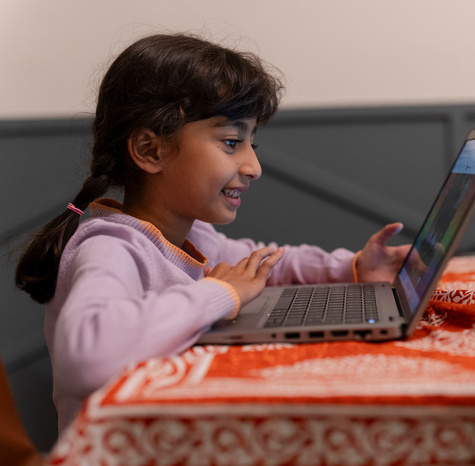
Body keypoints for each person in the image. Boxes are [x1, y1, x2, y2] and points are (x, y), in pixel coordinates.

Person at [14, 33, 410, 434]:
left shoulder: (194, 238)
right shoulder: (111, 247)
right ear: (151, 151)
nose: (253, 166)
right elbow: (86, 356)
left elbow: (261, 263)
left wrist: (354, 266)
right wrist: (220, 294)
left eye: (252, 143)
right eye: (232, 142)